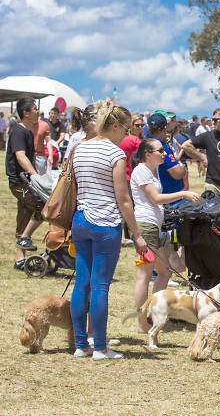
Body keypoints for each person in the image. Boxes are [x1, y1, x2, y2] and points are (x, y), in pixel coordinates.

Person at [70, 102, 147, 360]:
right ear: (114, 125)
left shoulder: (79, 148)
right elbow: (123, 199)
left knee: (82, 283)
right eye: (125, 129)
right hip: (105, 223)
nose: (126, 135)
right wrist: (137, 234)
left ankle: (81, 344)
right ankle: (100, 347)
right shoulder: (115, 154)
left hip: (80, 220)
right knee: (100, 285)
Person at [130, 138, 201, 333]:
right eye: (160, 151)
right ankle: (142, 323)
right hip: (146, 227)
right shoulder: (142, 171)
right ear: (147, 153)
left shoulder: (153, 171)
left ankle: (154, 316)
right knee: (144, 276)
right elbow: (155, 198)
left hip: (152, 226)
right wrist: (183, 194)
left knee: (165, 271)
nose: (164, 154)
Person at [7, 97, 43, 269]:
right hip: (19, 182)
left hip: (23, 181)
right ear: (26, 112)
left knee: (24, 216)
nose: (38, 111)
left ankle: (19, 260)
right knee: (42, 206)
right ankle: (24, 238)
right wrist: (34, 175)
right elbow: (20, 156)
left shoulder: (27, 132)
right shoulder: (18, 131)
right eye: (35, 108)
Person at [180, 107, 220, 195]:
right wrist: (201, 157)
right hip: (213, 185)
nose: (213, 122)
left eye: (215, 120)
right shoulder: (209, 136)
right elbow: (186, 145)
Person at [145, 113, 186, 199]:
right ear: (164, 129)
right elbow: (177, 173)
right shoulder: (162, 148)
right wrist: (181, 166)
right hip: (169, 200)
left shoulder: (142, 146)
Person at [118, 114, 143, 247]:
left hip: (119, 176)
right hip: (131, 177)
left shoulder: (118, 139)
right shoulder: (135, 141)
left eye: (142, 125)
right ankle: (129, 236)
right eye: (137, 125)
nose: (140, 128)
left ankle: (124, 235)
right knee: (130, 206)